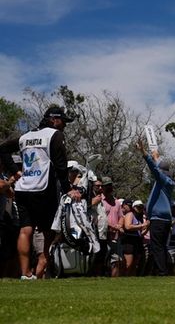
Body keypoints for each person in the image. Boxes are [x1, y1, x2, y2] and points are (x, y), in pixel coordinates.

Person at [0, 106, 81, 280]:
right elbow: (61, 165)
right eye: (63, 122)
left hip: (23, 188)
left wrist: (15, 172)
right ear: (54, 119)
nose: (64, 126)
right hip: (43, 188)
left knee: (25, 230)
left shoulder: (25, 136)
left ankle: (25, 274)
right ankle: (40, 268)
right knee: (48, 231)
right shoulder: (54, 135)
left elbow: (3, 149)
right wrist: (69, 189)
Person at [136, 139, 175, 276]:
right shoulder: (168, 180)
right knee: (162, 246)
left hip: (158, 219)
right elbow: (158, 163)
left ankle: (162, 272)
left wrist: (143, 152)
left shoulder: (162, 179)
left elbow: (153, 167)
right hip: (165, 219)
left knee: (157, 246)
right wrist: (155, 154)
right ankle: (163, 270)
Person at [101, 177, 123, 277]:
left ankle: (115, 284)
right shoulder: (100, 200)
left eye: (110, 185)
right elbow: (99, 219)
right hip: (102, 236)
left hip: (115, 237)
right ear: (102, 187)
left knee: (116, 261)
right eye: (107, 185)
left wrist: (119, 225)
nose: (109, 187)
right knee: (102, 261)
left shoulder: (117, 202)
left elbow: (121, 217)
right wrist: (114, 227)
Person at [122, 199, 149, 276]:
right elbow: (127, 226)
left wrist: (147, 227)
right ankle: (124, 277)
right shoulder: (130, 214)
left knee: (135, 263)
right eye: (138, 207)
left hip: (137, 240)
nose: (140, 208)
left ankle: (132, 278)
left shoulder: (140, 218)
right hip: (129, 240)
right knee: (128, 263)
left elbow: (141, 233)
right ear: (133, 207)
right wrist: (142, 226)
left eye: (141, 207)